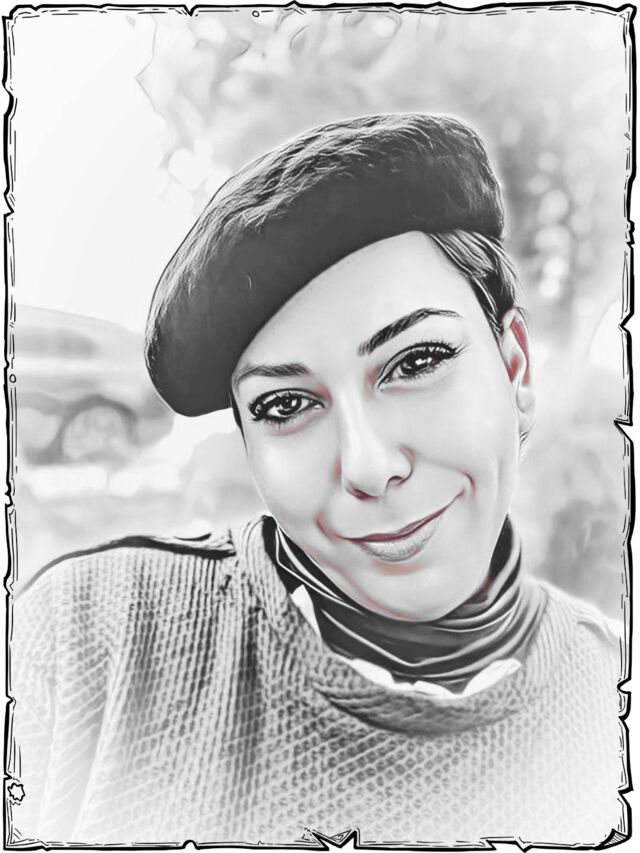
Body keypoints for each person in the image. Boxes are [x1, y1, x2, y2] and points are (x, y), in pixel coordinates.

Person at [10, 113, 625, 846]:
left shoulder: (612, 699)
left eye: (417, 361)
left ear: (515, 367)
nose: (368, 465)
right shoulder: (87, 638)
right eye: (286, 405)